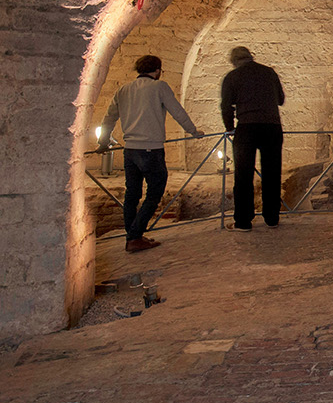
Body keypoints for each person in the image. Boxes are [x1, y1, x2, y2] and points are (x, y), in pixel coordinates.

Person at [96, 55, 203, 252]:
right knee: (155, 192)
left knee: (132, 194)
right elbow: (177, 112)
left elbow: (109, 118)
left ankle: (133, 236)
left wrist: (103, 141)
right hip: (150, 149)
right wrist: (193, 131)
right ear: (157, 70)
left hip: (130, 150)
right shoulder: (159, 87)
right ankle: (134, 237)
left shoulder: (123, 90)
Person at [220, 46, 286, 231]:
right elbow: (280, 99)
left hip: (247, 128)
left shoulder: (232, 77)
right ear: (251, 57)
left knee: (243, 176)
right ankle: (272, 218)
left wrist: (230, 128)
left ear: (234, 61)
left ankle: (243, 221)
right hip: (272, 127)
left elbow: (226, 106)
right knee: (272, 173)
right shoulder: (269, 72)